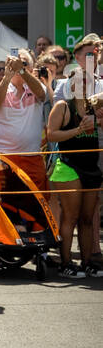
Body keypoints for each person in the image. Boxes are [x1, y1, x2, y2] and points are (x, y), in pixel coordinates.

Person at [46, 89, 103, 277]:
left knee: (87, 219)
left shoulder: (94, 107)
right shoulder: (62, 107)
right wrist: (78, 129)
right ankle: (66, 262)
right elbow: (51, 135)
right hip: (69, 166)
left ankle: (87, 263)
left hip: (91, 167)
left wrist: (100, 121)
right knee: (70, 217)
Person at [0, 49, 47, 193]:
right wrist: (7, 77)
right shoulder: (3, 87)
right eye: (14, 63)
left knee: (38, 206)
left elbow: (41, 94)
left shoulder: (37, 87)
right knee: (5, 204)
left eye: (24, 63)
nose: (18, 65)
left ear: (32, 69)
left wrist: (21, 71)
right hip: (4, 158)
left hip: (32, 158)